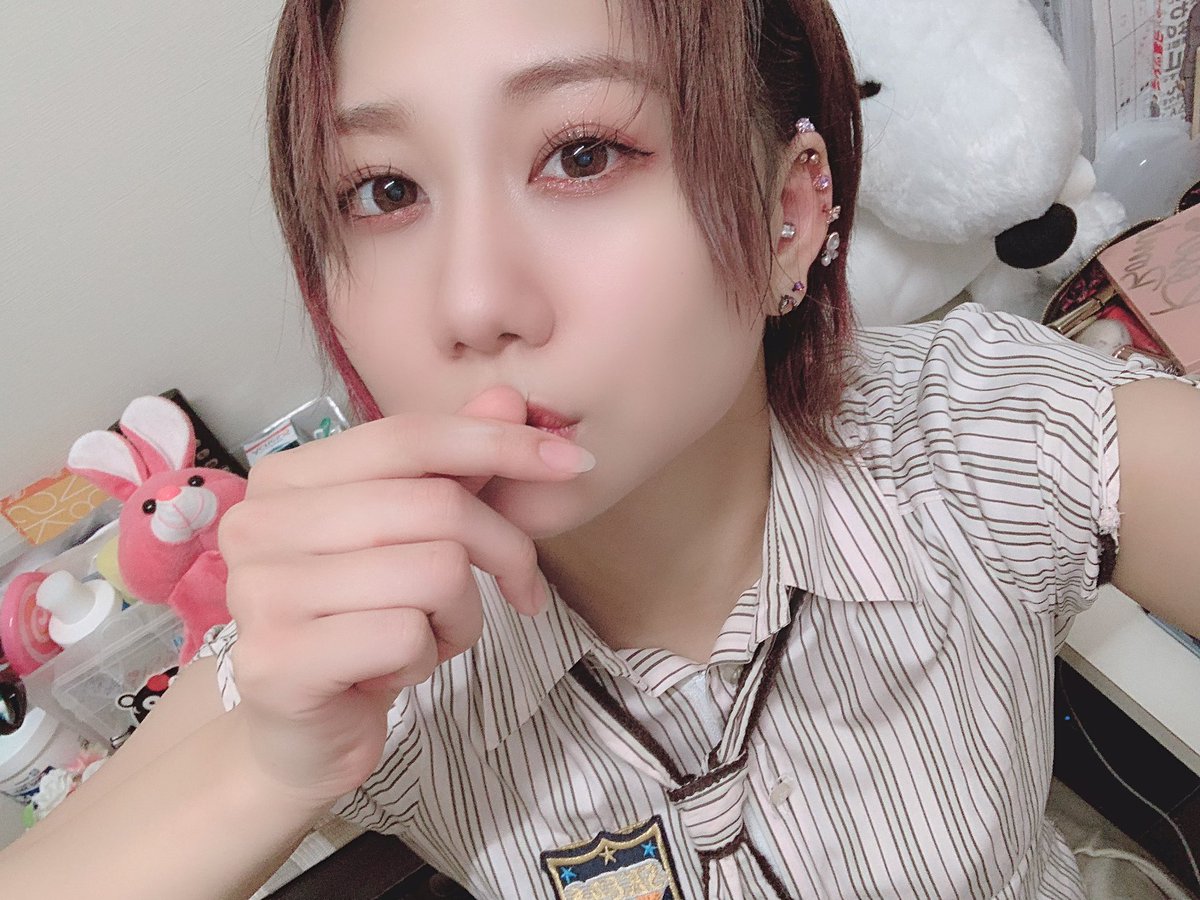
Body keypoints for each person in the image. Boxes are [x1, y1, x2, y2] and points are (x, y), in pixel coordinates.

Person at [5, 0, 1200, 897]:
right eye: (385, 191)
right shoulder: (355, 641)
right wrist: (267, 764)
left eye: (581, 153)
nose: (473, 302)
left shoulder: (975, 441)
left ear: (788, 216)